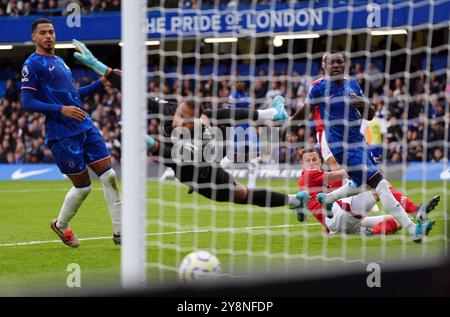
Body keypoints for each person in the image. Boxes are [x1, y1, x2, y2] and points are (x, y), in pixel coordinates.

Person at [72, 39, 304, 210]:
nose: (178, 120)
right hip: (188, 168)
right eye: (180, 114)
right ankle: (272, 114)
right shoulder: (170, 109)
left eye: (185, 120)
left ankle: (295, 200)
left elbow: (167, 154)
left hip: (204, 176)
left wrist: (146, 140)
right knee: (220, 116)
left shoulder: (198, 137)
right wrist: (97, 65)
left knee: (242, 194)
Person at [291, 51, 434, 242]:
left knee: (358, 184)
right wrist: (289, 124)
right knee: (380, 184)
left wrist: (362, 103)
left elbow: (370, 115)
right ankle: (413, 229)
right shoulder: (318, 88)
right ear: (324, 65)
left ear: (344, 64)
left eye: (340, 62)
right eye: (332, 63)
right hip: (342, 147)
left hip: (359, 141)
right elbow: (305, 111)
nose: (336, 66)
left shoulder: (353, 84)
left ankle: (329, 199)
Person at [20, 20, 122, 248]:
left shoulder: (59, 61)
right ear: (34, 37)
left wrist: (101, 83)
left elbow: (74, 95)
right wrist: (61, 109)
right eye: (43, 33)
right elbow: (27, 102)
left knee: (109, 176)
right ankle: (60, 225)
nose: (49, 36)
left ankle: (120, 232)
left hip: (85, 125)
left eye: (51, 32)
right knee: (84, 187)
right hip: (62, 134)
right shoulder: (32, 64)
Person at [295, 148, 439, 235]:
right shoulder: (308, 174)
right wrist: (365, 165)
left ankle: (370, 234)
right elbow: (339, 174)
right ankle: (416, 211)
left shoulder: (318, 181)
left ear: (320, 161)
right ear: (302, 164)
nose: (312, 162)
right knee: (379, 186)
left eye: (315, 159)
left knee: (397, 221)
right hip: (340, 217)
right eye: (308, 160)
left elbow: (319, 211)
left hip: (339, 227)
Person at [220, 80, 260, 188]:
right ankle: (214, 173)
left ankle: (252, 185)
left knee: (254, 157)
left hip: (249, 128)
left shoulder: (246, 95)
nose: (239, 84)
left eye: (241, 82)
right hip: (238, 129)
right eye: (237, 82)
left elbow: (251, 111)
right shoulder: (233, 96)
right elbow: (230, 112)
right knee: (231, 157)